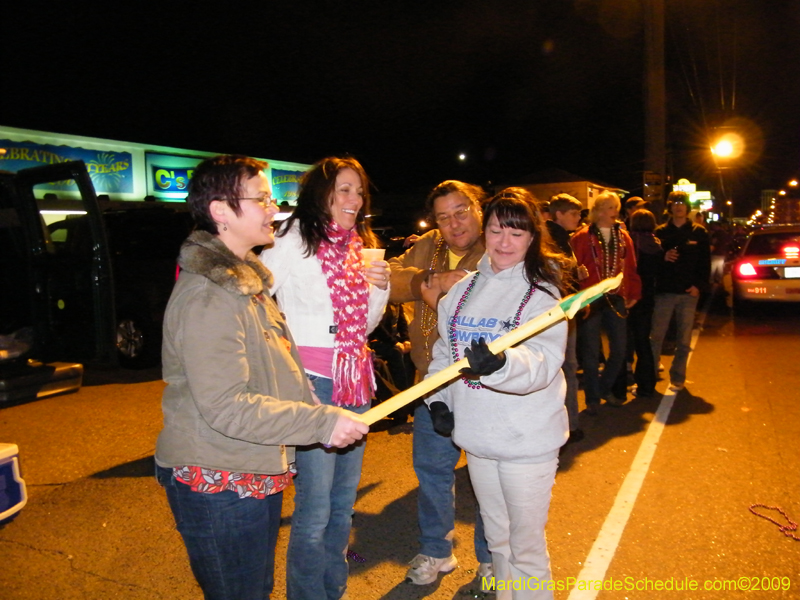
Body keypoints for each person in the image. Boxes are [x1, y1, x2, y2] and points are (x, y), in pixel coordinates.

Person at [154, 154, 368, 600]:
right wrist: (321, 421)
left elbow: (273, 365)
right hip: (219, 480)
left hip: (250, 468)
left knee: (255, 587)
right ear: (221, 211)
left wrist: (310, 397)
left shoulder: (245, 284)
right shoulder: (209, 295)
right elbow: (226, 406)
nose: (274, 208)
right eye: (261, 198)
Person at [425, 187, 570, 599]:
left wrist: (503, 366)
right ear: (484, 231)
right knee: (498, 541)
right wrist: (439, 400)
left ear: (532, 238)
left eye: (516, 233)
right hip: (478, 438)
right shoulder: (462, 291)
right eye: (496, 231)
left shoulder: (542, 294)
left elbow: (543, 363)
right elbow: (444, 353)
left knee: (525, 546)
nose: (504, 242)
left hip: (527, 440)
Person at [260, 156, 390, 600]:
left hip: (355, 383)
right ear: (322, 192)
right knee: (314, 510)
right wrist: (283, 367)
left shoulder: (359, 245)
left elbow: (365, 326)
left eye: (359, 191)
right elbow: (256, 300)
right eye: (344, 189)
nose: (354, 199)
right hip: (313, 384)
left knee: (341, 507)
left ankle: (332, 590)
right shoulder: (292, 240)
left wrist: (381, 286)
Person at [388, 180, 492, 585]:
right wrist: (431, 280)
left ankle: (490, 556)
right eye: (444, 217)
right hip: (430, 384)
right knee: (432, 471)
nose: (454, 224)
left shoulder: (496, 245)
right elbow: (390, 277)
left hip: (481, 384)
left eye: (461, 211)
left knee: (486, 474)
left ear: (478, 209)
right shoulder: (428, 246)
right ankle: (437, 550)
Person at [570, 191, 641, 413]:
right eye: (611, 207)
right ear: (599, 211)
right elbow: (569, 268)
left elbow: (630, 267)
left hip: (616, 296)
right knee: (590, 352)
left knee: (620, 349)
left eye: (616, 207)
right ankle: (592, 399)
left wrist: (634, 292)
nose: (615, 212)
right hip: (590, 297)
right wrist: (576, 274)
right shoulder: (581, 237)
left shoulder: (623, 236)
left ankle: (602, 388)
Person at [650, 190, 711, 392]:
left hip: (688, 293)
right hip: (665, 292)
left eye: (682, 203)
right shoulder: (660, 232)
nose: (678, 206)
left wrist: (698, 286)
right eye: (674, 202)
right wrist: (663, 257)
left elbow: (705, 264)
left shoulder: (699, 232)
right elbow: (650, 262)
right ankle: (649, 376)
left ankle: (678, 376)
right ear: (669, 206)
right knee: (656, 337)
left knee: (683, 340)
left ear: (687, 207)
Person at [545, 193, 584, 444]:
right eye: (574, 213)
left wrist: (576, 273)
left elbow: (564, 273)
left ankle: (569, 424)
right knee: (563, 368)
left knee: (567, 367)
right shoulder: (550, 239)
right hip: (558, 313)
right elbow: (553, 277)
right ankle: (566, 427)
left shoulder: (563, 238)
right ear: (558, 214)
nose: (579, 218)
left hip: (566, 310)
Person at [612, 208, 662, 399]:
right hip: (647, 298)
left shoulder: (629, 242)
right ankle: (646, 386)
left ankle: (620, 388)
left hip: (629, 295)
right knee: (643, 341)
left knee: (623, 342)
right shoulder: (656, 245)